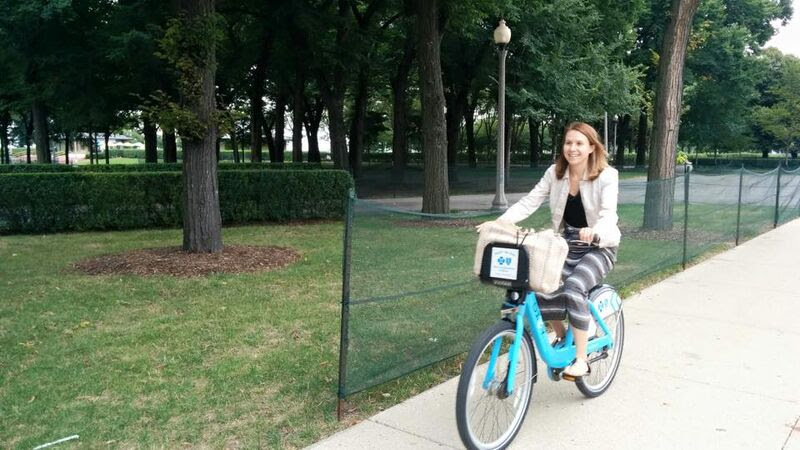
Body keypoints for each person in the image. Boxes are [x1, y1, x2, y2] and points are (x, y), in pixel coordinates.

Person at [478, 122, 621, 378]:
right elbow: (530, 201)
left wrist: (595, 231)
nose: (572, 148)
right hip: (564, 245)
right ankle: (563, 334)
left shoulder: (607, 175)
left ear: (591, 147)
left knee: (574, 287)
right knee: (537, 283)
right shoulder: (555, 173)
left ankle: (580, 359)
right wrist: (499, 223)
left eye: (579, 143)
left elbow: (609, 214)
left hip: (599, 246)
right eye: (568, 142)